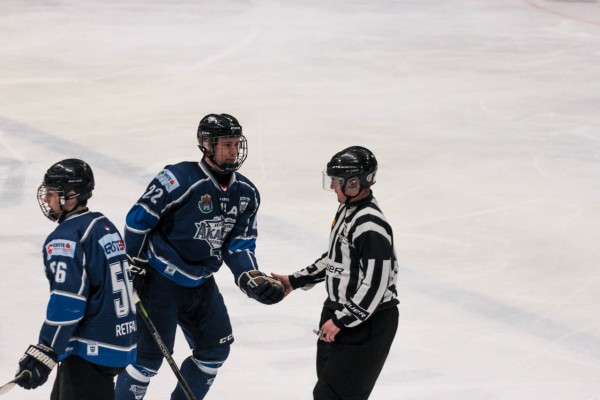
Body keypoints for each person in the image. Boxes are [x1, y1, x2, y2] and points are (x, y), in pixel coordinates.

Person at [115, 113, 284, 400]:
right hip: (159, 282)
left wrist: (250, 276)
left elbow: (240, 243)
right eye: (226, 144)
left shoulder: (246, 192)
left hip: (201, 283)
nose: (233, 151)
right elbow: (137, 220)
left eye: (235, 144)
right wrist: (132, 264)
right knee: (146, 360)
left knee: (214, 351)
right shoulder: (177, 179)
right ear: (207, 145)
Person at [272, 146, 399, 400]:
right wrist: (295, 281)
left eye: (336, 181)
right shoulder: (347, 211)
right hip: (338, 315)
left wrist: (343, 319)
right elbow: (337, 259)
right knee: (326, 393)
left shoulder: (371, 226)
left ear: (354, 183)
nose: (331, 186)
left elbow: (376, 284)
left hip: (365, 323)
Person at [14, 159, 137, 400]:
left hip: (90, 349)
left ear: (71, 196)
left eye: (52, 193)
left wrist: (47, 349)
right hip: (120, 342)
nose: (47, 199)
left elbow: (68, 301)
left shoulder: (66, 237)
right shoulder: (104, 225)